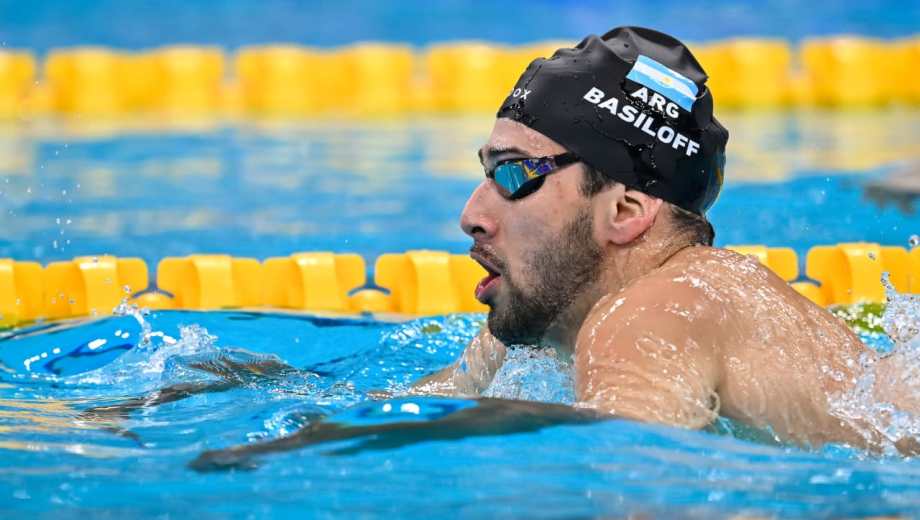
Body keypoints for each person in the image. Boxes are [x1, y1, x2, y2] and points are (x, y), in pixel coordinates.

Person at [412, 26, 916, 452]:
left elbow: (641, 487)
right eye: (486, 173)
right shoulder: (551, 309)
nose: (471, 216)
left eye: (514, 175)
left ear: (625, 211)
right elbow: (404, 412)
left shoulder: (648, 314)